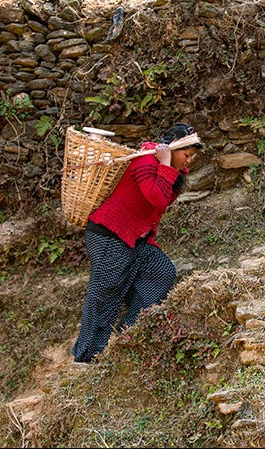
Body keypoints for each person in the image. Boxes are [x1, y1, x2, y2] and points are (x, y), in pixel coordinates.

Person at [72, 123, 201, 364]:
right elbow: (157, 198)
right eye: (186, 155)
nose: (188, 162)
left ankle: (126, 336)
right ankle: (86, 357)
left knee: (161, 272)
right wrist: (164, 165)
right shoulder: (146, 161)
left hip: (135, 238)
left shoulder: (170, 169)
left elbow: (157, 204)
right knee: (105, 293)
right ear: (171, 148)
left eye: (191, 157)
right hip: (109, 234)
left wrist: (170, 167)